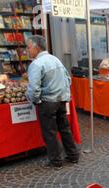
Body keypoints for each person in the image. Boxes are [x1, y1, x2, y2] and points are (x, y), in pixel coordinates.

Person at [26, 35, 79, 169]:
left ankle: (56, 161)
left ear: (36, 48)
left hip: (48, 101)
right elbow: (68, 79)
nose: (27, 50)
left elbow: (33, 88)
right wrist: (64, 95)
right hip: (61, 100)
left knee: (50, 132)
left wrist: (35, 100)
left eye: (28, 47)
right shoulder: (55, 59)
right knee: (64, 128)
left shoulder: (36, 64)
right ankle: (73, 155)